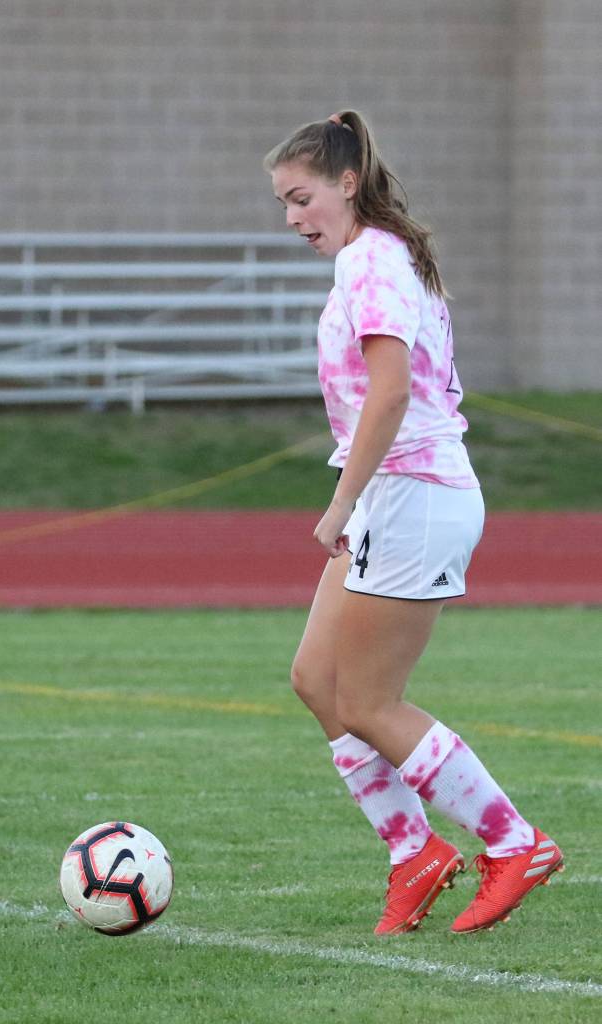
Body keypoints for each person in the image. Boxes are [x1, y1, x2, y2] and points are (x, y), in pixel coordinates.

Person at [263, 110, 564, 935]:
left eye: (300, 198)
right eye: (283, 204)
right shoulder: (372, 258)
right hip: (393, 497)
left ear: (346, 183)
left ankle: (514, 842)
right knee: (318, 683)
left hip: (413, 493)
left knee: (367, 699)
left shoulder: (370, 262)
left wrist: (337, 504)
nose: (292, 218)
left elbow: (390, 394)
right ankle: (414, 853)